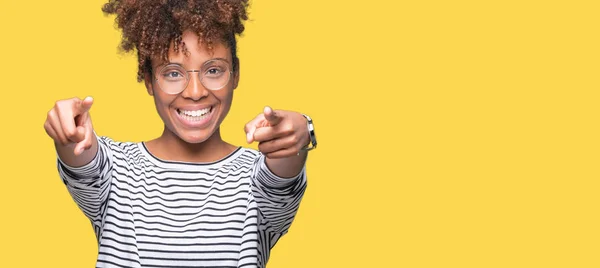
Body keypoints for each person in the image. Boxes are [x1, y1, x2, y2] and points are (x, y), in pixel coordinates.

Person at [43, 0, 317, 267]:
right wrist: (69, 133)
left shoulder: (256, 179)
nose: (195, 92)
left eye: (213, 70)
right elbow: (83, 158)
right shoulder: (116, 171)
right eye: (173, 73)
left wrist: (299, 135)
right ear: (149, 81)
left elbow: (283, 171)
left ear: (235, 75)